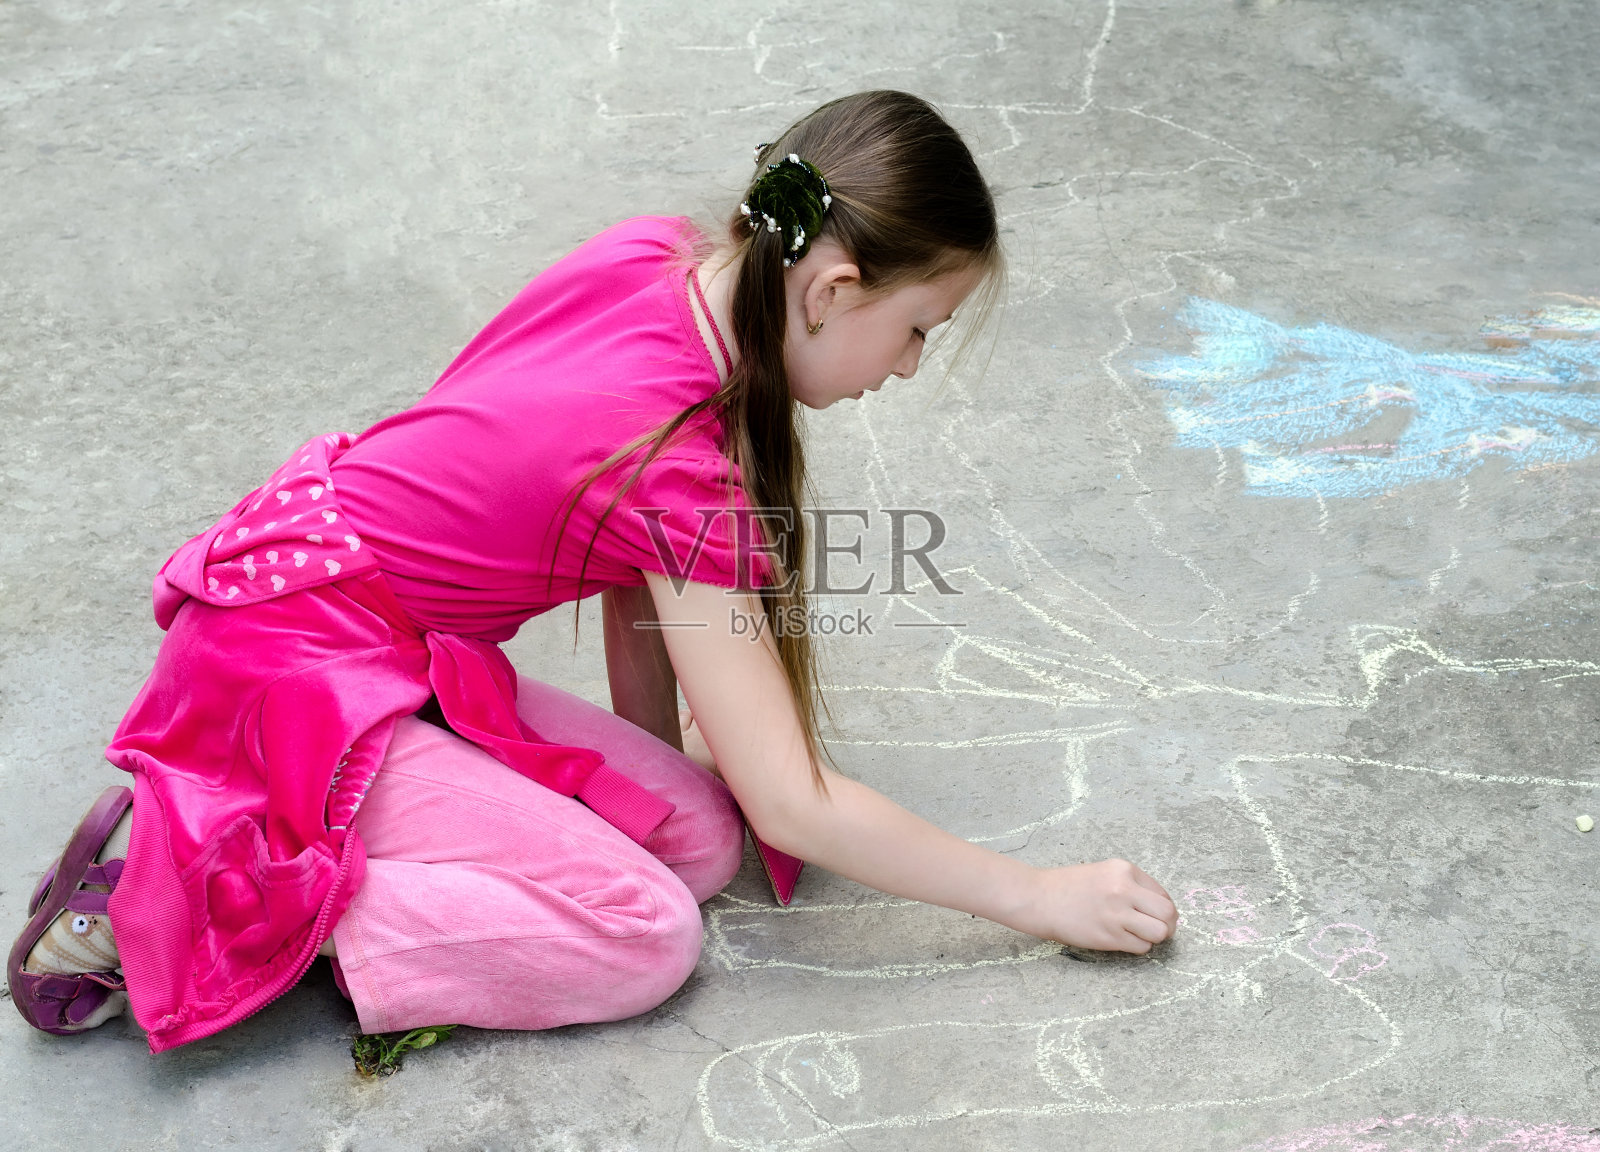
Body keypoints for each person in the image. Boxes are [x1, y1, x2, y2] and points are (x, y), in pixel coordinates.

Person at [8, 90, 1179, 1049]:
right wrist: (1035, 896)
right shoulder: (677, 468)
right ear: (833, 290)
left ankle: (282, 841)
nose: (912, 366)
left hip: (355, 625)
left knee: (699, 836)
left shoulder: (658, 261)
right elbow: (794, 800)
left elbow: (637, 597)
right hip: (296, 677)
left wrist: (641, 781)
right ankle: (192, 884)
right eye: (920, 326)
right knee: (641, 937)